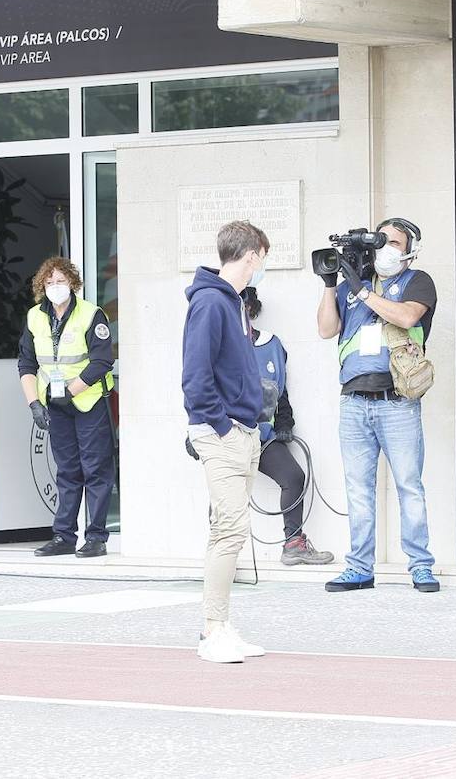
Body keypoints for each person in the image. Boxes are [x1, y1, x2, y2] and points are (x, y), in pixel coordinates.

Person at [316, 218, 440, 593]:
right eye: (381, 241)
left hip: (396, 402)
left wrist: (364, 293)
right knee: (358, 488)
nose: (386, 247)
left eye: (394, 242)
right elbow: (325, 329)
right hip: (353, 402)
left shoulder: (417, 281)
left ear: (409, 248)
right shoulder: (354, 286)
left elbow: (406, 316)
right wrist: (330, 285)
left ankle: (420, 565)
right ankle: (359, 568)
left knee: (408, 485)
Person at [183, 220, 271, 664]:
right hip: (225, 432)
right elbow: (195, 376)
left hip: (241, 429)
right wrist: (221, 427)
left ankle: (220, 627)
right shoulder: (211, 304)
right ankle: (213, 629)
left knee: (232, 529)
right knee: (229, 529)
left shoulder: (229, 302)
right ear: (252, 253)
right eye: (261, 258)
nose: (260, 267)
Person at [19, 257, 117, 559]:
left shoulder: (91, 314)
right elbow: (27, 362)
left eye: (60, 281)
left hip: (88, 402)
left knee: (96, 469)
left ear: (72, 283)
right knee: (67, 471)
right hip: (55, 407)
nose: (55, 287)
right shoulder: (35, 317)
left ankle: (96, 537)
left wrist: (71, 391)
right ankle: (63, 536)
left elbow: (102, 361)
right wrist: (34, 403)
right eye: (49, 282)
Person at [242, 286, 334, 566]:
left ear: (251, 310)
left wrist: (284, 424)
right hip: (229, 436)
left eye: (243, 308)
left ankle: (293, 543)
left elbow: (280, 393)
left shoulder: (272, 345)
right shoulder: (220, 345)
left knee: (294, 477)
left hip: (263, 437)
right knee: (227, 491)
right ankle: (221, 555)